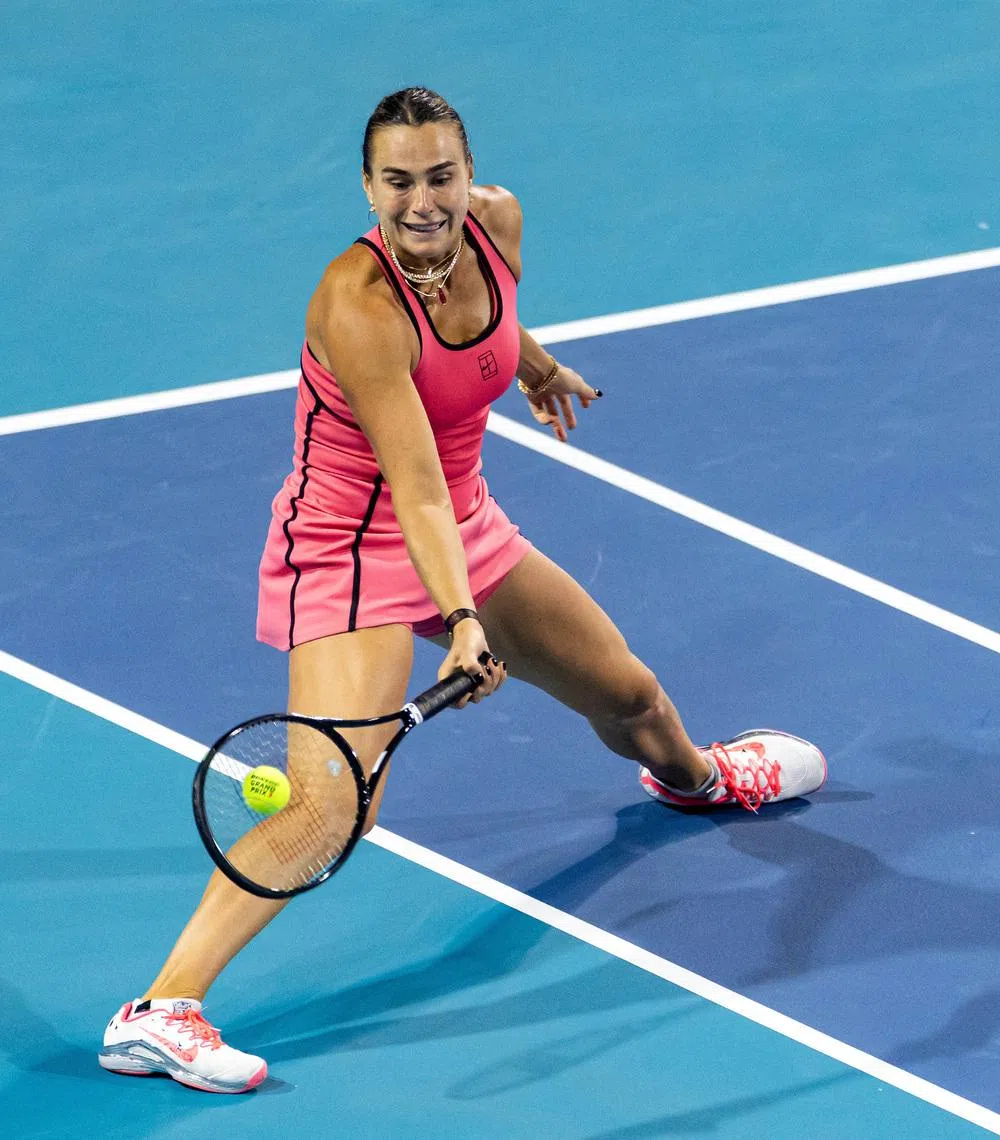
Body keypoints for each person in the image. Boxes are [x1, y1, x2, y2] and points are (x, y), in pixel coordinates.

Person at [99, 88, 826, 1094]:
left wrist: (532, 362)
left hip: (463, 520)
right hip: (351, 543)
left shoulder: (498, 225)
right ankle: (160, 1012)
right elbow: (413, 485)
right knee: (333, 806)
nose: (422, 201)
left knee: (628, 694)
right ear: (367, 186)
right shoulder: (355, 301)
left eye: (440, 176)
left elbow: (486, 333)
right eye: (397, 182)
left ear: (466, 173)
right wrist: (463, 622)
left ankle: (696, 779)